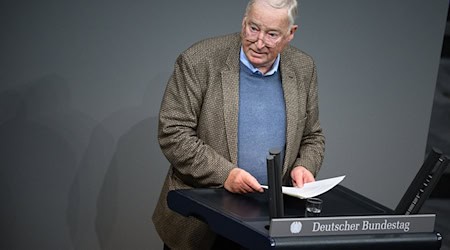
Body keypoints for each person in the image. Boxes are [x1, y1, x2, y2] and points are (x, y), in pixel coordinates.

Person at [153, 0, 325, 249]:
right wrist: (226, 175)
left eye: (272, 34)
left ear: (290, 34)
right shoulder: (200, 60)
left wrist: (304, 166)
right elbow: (173, 133)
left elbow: (313, 136)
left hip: (270, 223)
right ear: (244, 22)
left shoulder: (303, 68)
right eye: (253, 28)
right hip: (204, 220)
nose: (259, 41)